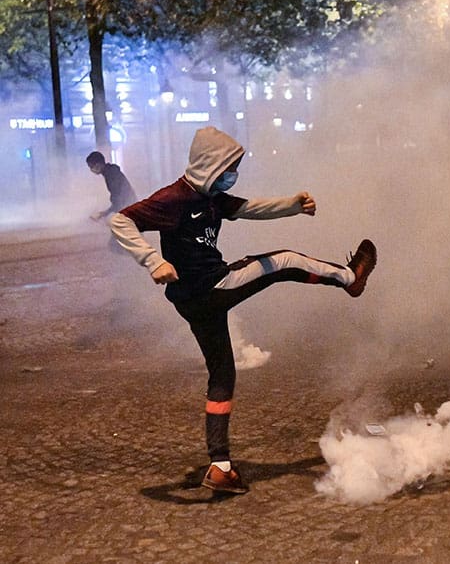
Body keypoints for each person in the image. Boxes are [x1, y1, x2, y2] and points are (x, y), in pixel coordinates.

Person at [110, 126, 377, 494]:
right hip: (212, 287)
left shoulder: (212, 197)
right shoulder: (173, 199)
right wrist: (152, 260)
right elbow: (120, 220)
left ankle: (220, 466)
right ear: (210, 165)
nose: (233, 175)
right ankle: (350, 278)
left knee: (221, 374)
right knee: (284, 261)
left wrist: (292, 205)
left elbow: (250, 208)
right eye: (230, 167)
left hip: (194, 302)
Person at [86, 151, 138, 222]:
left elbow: (118, 197)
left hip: (129, 208)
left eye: (91, 166)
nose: (91, 169)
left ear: (98, 164)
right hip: (129, 207)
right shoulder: (110, 172)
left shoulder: (111, 174)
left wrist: (106, 213)